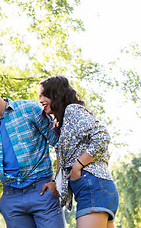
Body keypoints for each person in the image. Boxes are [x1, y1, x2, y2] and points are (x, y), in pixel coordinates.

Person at [0, 73, 65, 228]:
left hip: (43, 191)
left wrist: (56, 182)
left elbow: (60, 143)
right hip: (11, 199)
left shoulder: (29, 109)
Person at [38, 76, 119, 228]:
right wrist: (56, 182)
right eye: (39, 96)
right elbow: (62, 156)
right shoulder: (62, 123)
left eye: (44, 95)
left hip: (93, 186)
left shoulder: (72, 110)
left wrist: (78, 165)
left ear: (56, 94)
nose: (40, 100)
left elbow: (101, 136)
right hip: (95, 187)